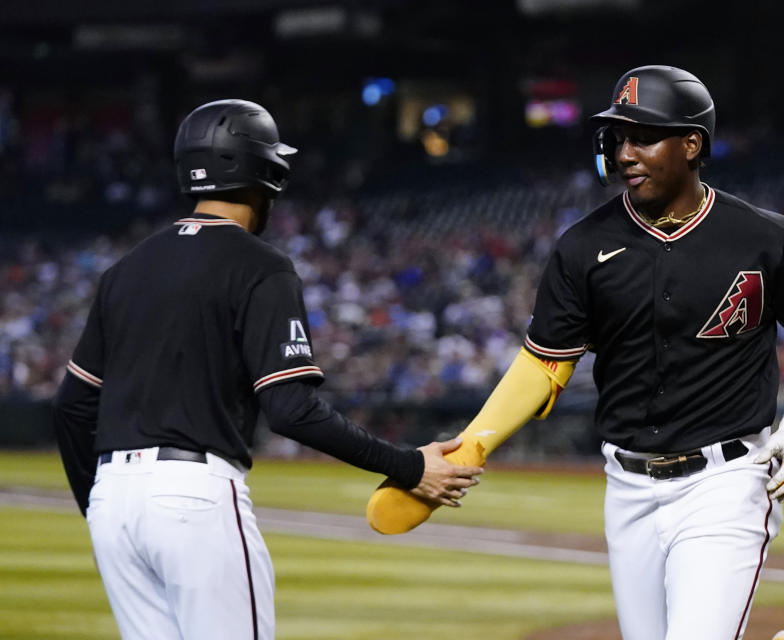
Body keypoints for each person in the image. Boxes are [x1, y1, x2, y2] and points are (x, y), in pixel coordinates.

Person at [366, 66, 784, 640]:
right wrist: (472, 447)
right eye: (617, 138)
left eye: (643, 136)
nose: (625, 153)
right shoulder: (583, 246)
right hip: (628, 487)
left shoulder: (766, 237)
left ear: (691, 144)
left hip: (727, 481)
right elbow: (544, 364)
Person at [52, 99, 482, 640]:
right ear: (266, 173)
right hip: (193, 496)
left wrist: (97, 507)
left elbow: (72, 406)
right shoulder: (261, 266)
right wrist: (408, 466)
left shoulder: (125, 268)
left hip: (112, 502)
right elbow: (292, 410)